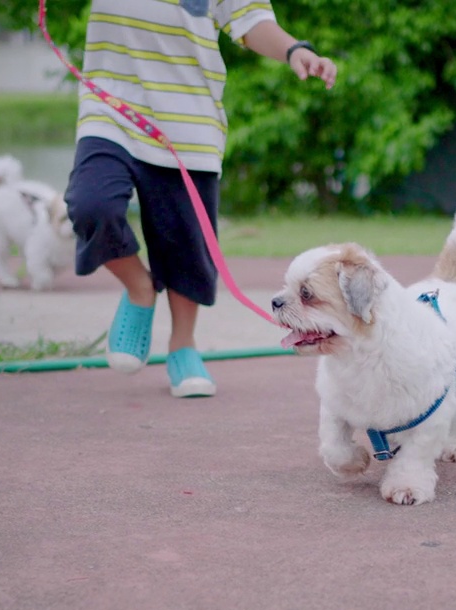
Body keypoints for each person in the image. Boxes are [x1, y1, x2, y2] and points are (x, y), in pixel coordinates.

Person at [64, 0, 338, 398]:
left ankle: (183, 345)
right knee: (91, 205)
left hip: (188, 123)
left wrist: (295, 49)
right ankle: (140, 289)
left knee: (185, 245)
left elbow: (250, 19)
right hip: (110, 111)